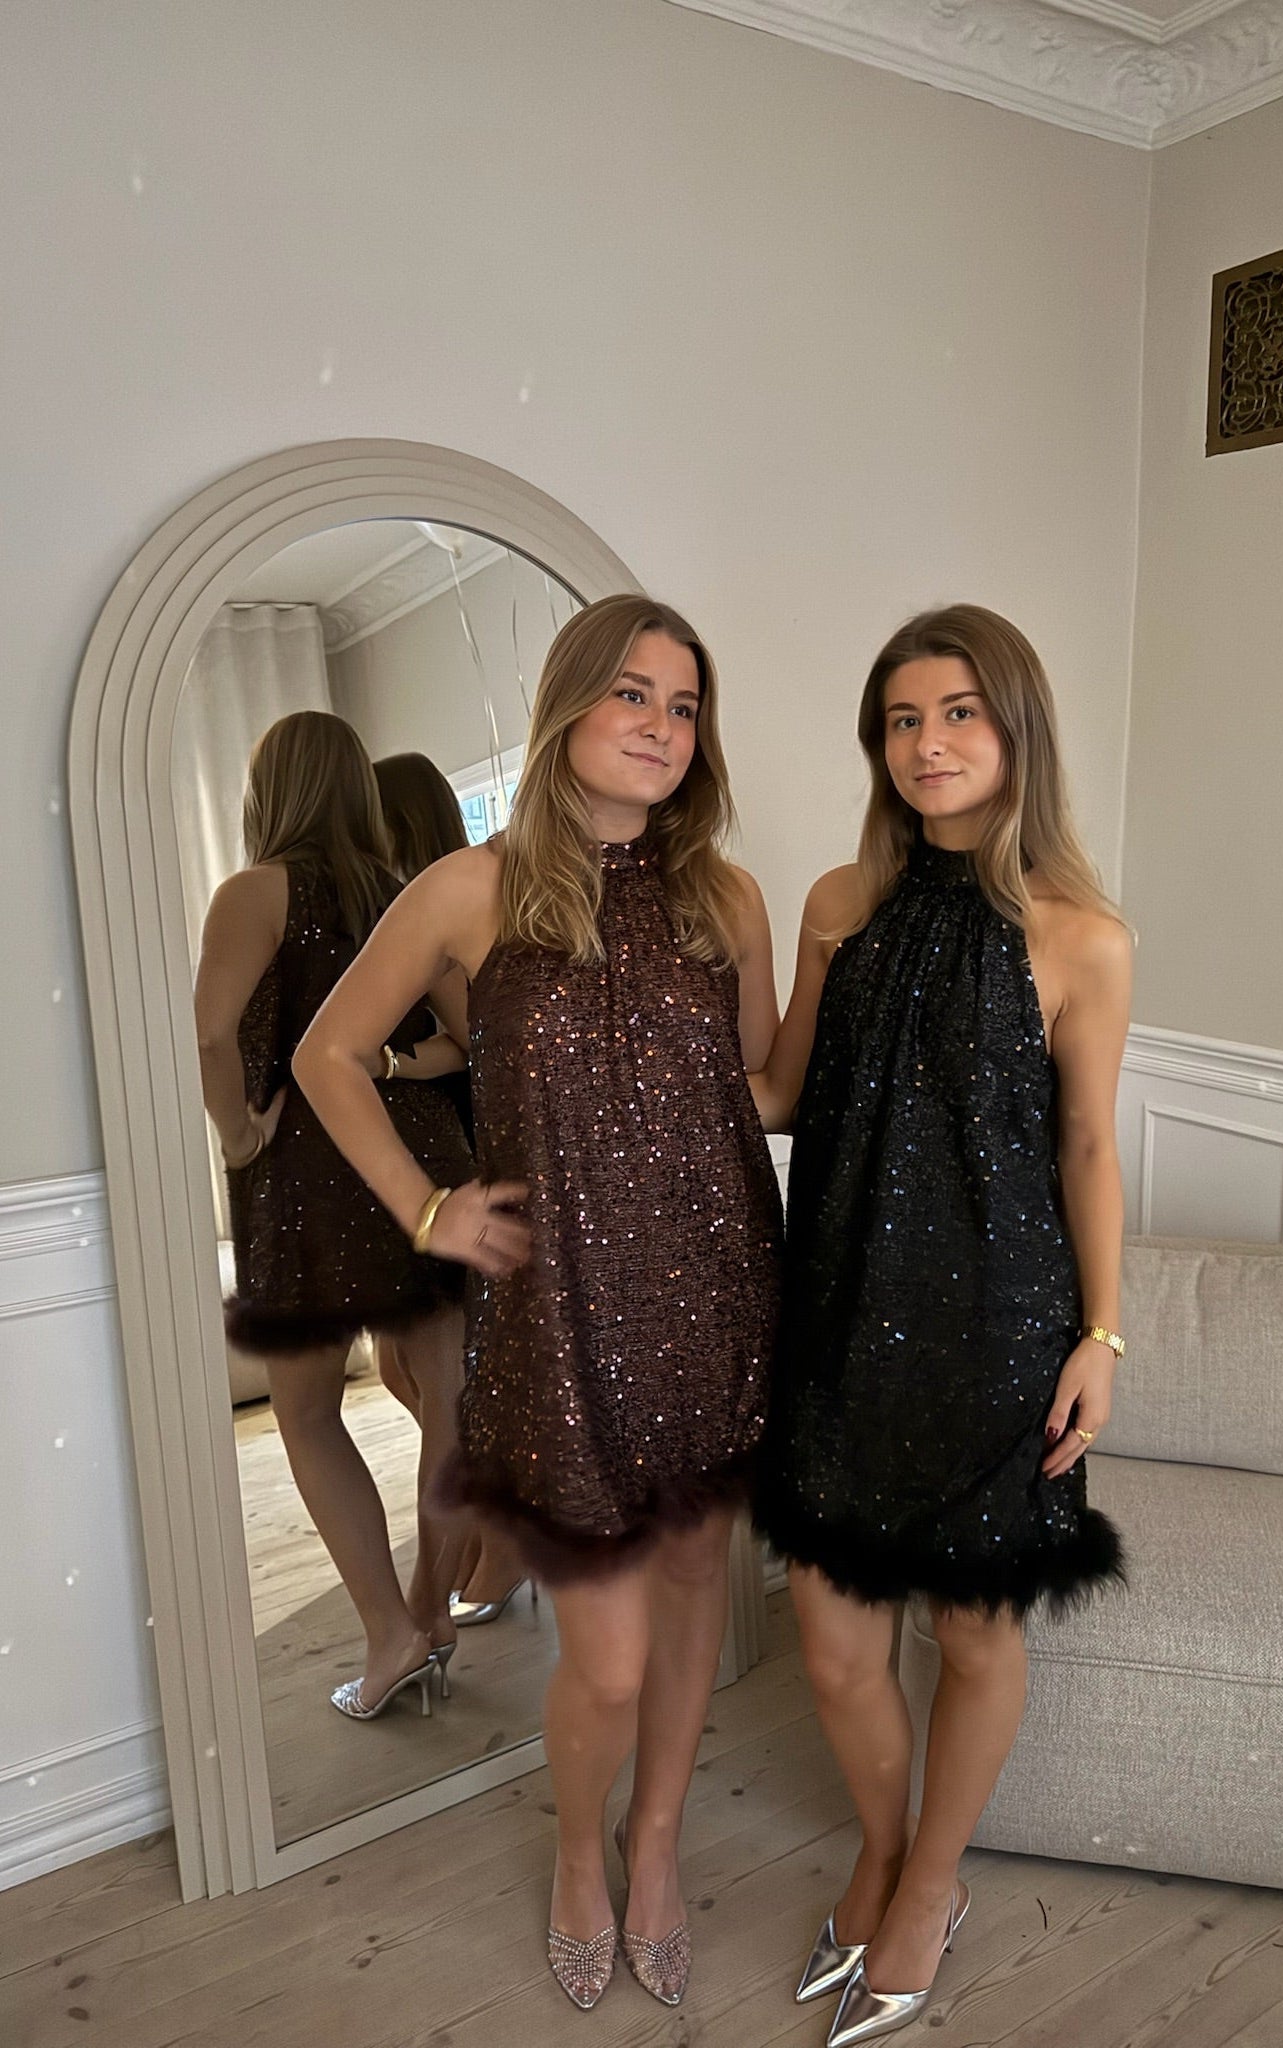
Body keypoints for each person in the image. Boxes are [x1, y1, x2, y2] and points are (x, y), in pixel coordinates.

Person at [294, 595, 782, 2010]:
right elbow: (328, 1054)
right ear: (568, 704)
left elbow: (753, 1087)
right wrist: (426, 1208)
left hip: (712, 1300)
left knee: (690, 1601)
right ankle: (579, 1847)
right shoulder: (470, 888)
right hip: (561, 1321)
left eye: (682, 706)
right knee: (607, 1661)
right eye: (631, 693)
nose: (658, 725)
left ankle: (654, 1844)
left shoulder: (728, 899)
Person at [753, 606, 1129, 2046]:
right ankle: (881, 1844)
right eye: (902, 720)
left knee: (973, 1637)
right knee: (837, 1652)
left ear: (1013, 726)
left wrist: (1102, 1335)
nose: (926, 743)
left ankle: (928, 1884)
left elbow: (1084, 1147)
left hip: (997, 1333)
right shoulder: (835, 905)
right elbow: (779, 1091)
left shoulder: (1083, 938)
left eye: (957, 712)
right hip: (838, 1319)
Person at [193, 711, 477, 1720]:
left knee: (307, 1411)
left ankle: (392, 1631)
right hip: (419, 1159)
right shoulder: (410, 892)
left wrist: (237, 1134)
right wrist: (393, 1063)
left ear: (269, 790)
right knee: (449, 1393)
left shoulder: (253, 891)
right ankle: (432, 1609)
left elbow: (211, 1034)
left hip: (308, 1175)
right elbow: (472, 1035)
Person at [373, 749, 528, 1626]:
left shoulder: (455, 900)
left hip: (471, 1137)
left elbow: (476, 1039)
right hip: (435, 1138)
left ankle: (496, 1542)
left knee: (461, 1370)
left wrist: (396, 1062)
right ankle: (485, 1527)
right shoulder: (413, 903)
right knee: (410, 1367)